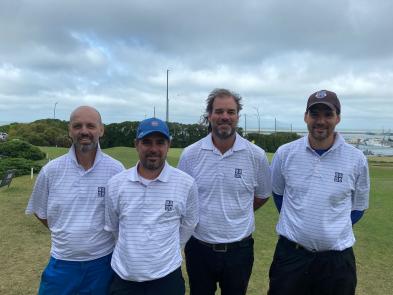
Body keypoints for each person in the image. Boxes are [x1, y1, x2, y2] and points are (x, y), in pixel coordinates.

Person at [268, 90, 370, 295]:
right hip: (291, 256)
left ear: (338, 118)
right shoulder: (285, 153)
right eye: (315, 114)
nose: (321, 121)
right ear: (306, 117)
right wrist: (301, 224)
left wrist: (331, 230)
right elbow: (278, 195)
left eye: (328, 114)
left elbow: (358, 207)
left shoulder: (356, 159)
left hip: (337, 261)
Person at [177, 88, 272, 295]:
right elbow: (181, 198)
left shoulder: (256, 155)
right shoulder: (190, 155)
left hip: (240, 250)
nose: (225, 117)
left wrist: (237, 211)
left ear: (238, 116)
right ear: (209, 115)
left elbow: (263, 195)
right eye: (219, 111)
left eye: (231, 112)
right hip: (199, 248)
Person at [25, 106, 125, 295]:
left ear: (101, 130)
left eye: (91, 126)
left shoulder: (116, 170)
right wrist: (66, 231)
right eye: (78, 126)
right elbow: (40, 211)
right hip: (62, 263)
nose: (84, 131)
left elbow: (121, 215)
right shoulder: (51, 170)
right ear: (69, 130)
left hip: (102, 264)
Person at [105, 117, 199, 295]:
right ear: (136, 144)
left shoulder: (186, 183)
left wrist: (165, 250)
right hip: (124, 279)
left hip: (167, 279)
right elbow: (113, 228)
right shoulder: (116, 184)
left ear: (168, 145)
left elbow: (189, 224)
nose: (153, 149)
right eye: (146, 142)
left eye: (160, 142)